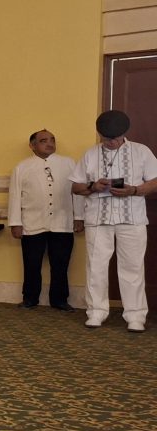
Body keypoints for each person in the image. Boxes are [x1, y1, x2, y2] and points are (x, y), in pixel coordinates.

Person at [70, 110, 157, 332]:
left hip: (132, 218)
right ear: (100, 135)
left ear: (124, 133)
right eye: (107, 139)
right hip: (98, 218)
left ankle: (135, 316)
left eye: (116, 138)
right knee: (96, 267)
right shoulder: (90, 154)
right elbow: (75, 187)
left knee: (132, 267)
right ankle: (96, 312)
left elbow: (155, 181)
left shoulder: (141, 151)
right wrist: (93, 186)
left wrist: (134, 190)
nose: (112, 143)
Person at [7, 129, 84, 310]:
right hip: (32, 222)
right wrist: (15, 223)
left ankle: (59, 300)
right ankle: (30, 298)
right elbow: (15, 196)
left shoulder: (69, 163)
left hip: (62, 222)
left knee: (61, 264)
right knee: (31, 264)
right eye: (43, 141)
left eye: (52, 140)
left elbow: (78, 192)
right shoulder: (22, 167)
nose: (49, 143)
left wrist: (79, 217)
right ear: (32, 146)